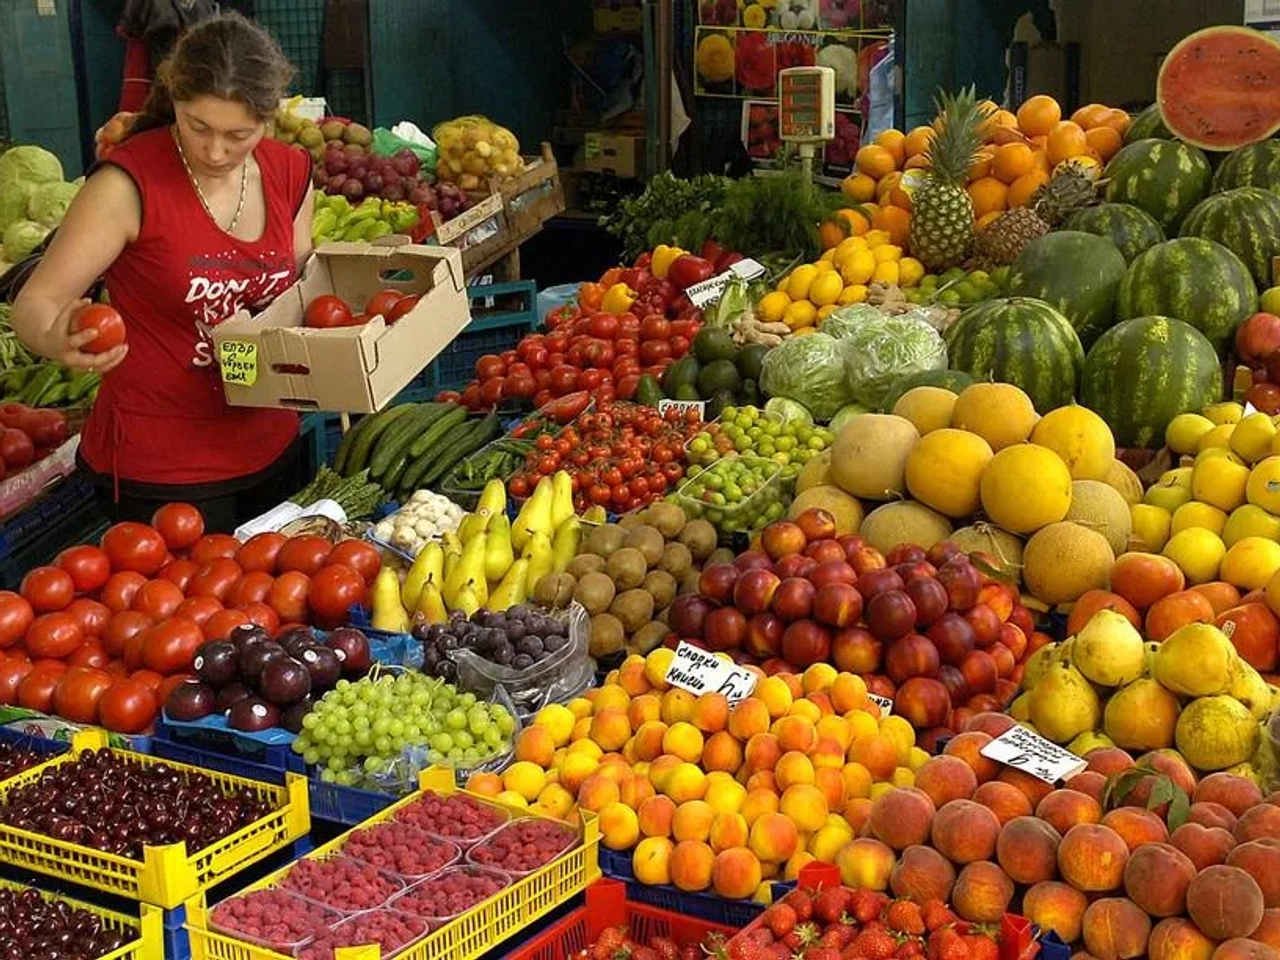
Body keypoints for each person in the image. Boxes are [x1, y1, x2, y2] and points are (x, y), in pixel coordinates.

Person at [11, 11, 315, 534]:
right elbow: (32, 307)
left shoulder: (290, 172)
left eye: (238, 135)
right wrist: (58, 336)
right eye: (199, 127)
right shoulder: (127, 184)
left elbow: (302, 275)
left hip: (273, 444)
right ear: (174, 99)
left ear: (269, 119)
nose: (216, 151)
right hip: (164, 471)